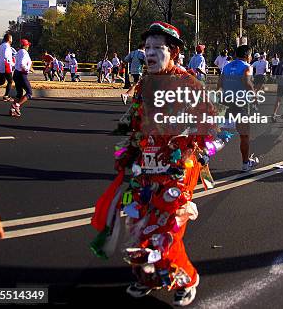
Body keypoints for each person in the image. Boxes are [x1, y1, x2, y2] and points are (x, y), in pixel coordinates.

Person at [90, 21, 228, 306]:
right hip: (146, 167)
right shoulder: (144, 84)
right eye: (147, 47)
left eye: (158, 48)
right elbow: (137, 124)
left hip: (179, 171)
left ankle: (187, 278)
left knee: (166, 229)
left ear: (174, 52)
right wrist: (129, 154)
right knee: (140, 226)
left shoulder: (189, 83)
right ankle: (148, 278)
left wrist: (189, 150)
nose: (149, 53)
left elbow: (214, 126)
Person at [219, 44, 259, 172]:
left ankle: (205, 156)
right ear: (248, 56)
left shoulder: (226, 66)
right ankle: (246, 164)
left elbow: (219, 84)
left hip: (227, 103)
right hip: (241, 105)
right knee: (244, 136)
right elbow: (247, 82)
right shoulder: (247, 67)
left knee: (223, 135)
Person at [10, 39, 33, 117]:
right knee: (29, 93)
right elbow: (22, 64)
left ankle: (12, 109)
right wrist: (28, 69)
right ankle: (17, 105)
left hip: (16, 73)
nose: (28, 47)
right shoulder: (24, 52)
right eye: (28, 45)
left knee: (19, 93)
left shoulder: (19, 52)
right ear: (25, 45)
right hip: (21, 74)